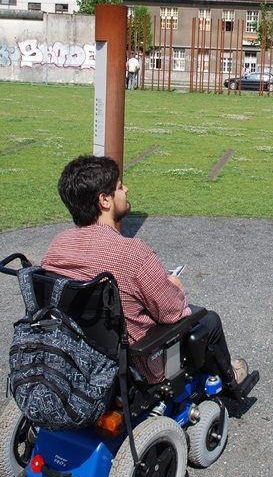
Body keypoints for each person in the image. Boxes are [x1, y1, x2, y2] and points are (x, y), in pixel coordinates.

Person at [41, 155, 248, 391]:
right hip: (136, 364)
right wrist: (175, 287)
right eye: (119, 187)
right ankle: (230, 379)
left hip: (78, 354)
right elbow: (172, 314)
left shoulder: (57, 246)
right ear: (105, 200)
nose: (126, 189)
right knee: (208, 321)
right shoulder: (132, 252)